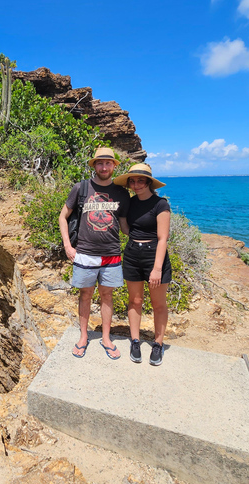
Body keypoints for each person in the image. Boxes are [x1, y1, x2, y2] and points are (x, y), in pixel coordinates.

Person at [59, 147, 130, 360]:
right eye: (100, 163)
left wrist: (147, 236)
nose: (104, 167)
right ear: (94, 166)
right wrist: (67, 247)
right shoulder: (81, 188)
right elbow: (63, 217)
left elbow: (124, 224)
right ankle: (83, 336)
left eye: (108, 163)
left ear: (114, 166)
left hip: (111, 254)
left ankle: (106, 338)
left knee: (107, 296)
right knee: (85, 295)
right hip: (85, 254)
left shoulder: (121, 193)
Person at [112, 163, 171, 366]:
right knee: (135, 301)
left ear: (148, 182)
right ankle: (135, 341)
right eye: (133, 180)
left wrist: (156, 268)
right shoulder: (130, 202)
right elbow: (127, 229)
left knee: (158, 304)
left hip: (154, 256)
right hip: (132, 254)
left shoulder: (160, 204)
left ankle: (158, 343)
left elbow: (163, 238)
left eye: (140, 180)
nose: (136, 184)